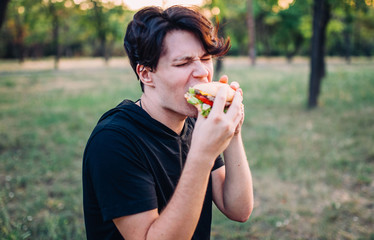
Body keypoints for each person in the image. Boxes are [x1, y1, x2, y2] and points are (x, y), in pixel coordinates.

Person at [82, 5, 253, 240]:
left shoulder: (196, 125)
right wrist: (202, 154)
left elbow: (238, 209)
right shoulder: (113, 141)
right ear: (145, 74)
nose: (202, 72)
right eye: (183, 63)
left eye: (205, 58)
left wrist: (233, 131)